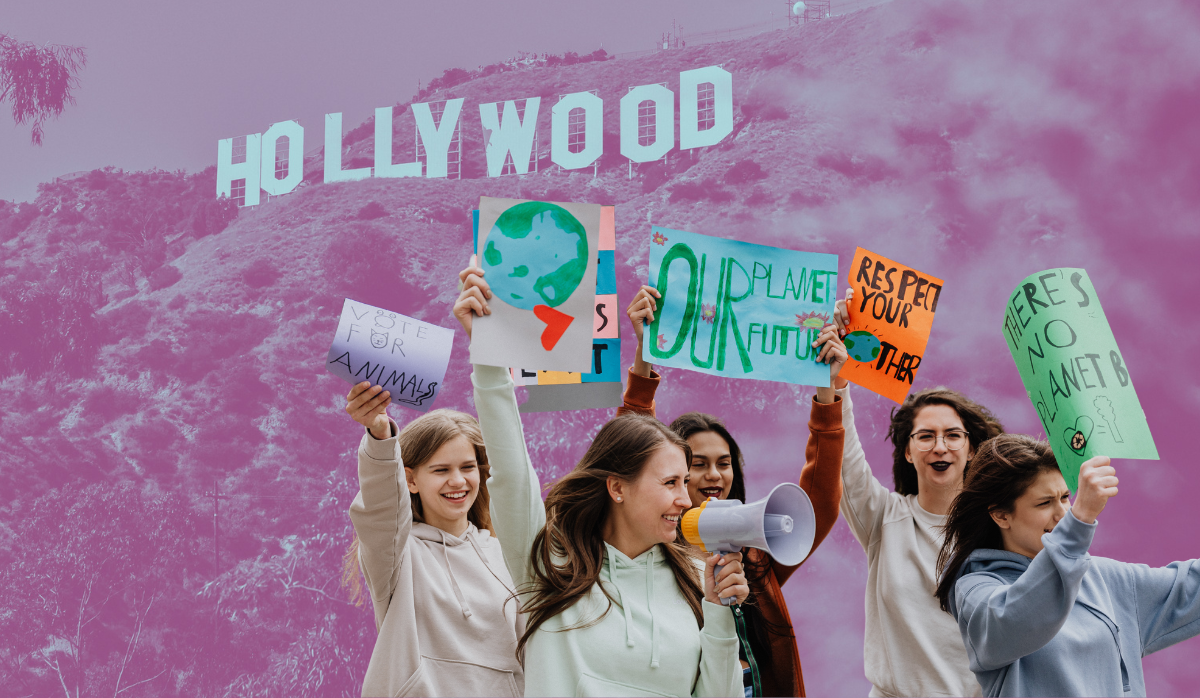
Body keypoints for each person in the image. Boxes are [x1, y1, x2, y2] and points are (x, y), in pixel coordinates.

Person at [454, 261, 749, 698]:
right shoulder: (548, 564)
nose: (685, 499)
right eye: (670, 483)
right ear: (617, 487)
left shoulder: (694, 578)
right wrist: (489, 354)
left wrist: (720, 612)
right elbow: (511, 471)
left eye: (683, 483)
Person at [621, 285, 847, 698]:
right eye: (698, 464)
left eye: (724, 463)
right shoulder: (647, 551)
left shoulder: (755, 558)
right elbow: (629, 453)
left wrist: (827, 390)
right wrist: (645, 355)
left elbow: (817, 503)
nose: (714, 476)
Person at [831, 287, 1002, 697]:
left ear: (972, 448)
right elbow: (842, 454)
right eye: (925, 436)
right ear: (908, 451)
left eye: (952, 436)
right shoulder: (883, 518)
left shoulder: (1001, 526)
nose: (939, 446)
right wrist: (837, 380)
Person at [936, 435, 1200, 697]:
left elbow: (1192, 587)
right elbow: (1019, 619)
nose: (1063, 513)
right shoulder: (976, 590)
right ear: (1001, 515)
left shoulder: (1104, 578)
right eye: (1044, 502)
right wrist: (1080, 519)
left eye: (1065, 497)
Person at [340, 383, 524, 697]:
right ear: (410, 479)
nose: (457, 481)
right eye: (441, 470)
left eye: (468, 467)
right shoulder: (397, 555)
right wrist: (380, 436)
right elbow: (382, 508)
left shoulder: (507, 555)